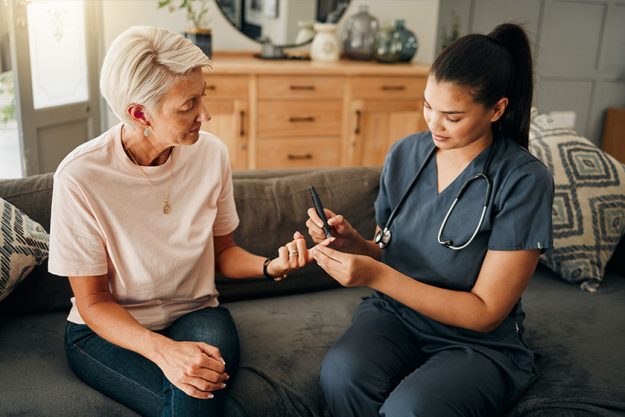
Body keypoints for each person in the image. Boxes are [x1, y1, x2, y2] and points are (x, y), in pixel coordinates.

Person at [48, 26, 311, 417]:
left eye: (202, 96)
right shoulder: (80, 177)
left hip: (197, 313)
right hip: (106, 332)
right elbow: (93, 301)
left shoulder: (211, 156)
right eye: (187, 105)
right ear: (140, 114)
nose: (206, 114)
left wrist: (270, 266)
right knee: (196, 400)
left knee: (197, 394)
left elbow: (225, 253)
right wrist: (164, 352)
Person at [306, 23, 554, 417]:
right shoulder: (405, 154)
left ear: (497, 109)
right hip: (397, 317)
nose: (433, 125)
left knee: (412, 409)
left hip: (477, 341)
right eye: (428, 106)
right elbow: (390, 251)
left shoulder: (524, 180)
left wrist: (373, 275)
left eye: (452, 117)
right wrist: (353, 244)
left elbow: (487, 312)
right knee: (341, 374)